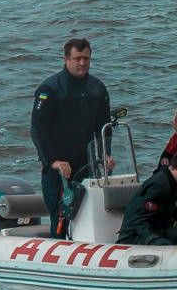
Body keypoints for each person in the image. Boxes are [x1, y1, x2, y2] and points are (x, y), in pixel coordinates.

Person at [30, 38, 115, 237]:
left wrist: (106, 155)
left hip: (88, 165)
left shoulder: (98, 88)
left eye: (86, 58)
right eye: (78, 58)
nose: (83, 63)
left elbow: (104, 127)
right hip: (59, 168)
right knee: (61, 218)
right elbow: (38, 129)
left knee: (92, 217)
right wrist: (52, 161)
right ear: (66, 59)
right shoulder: (49, 89)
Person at [117, 149, 177, 245]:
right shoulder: (159, 185)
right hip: (134, 237)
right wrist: (152, 239)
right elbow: (138, 220)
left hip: (156, 232)